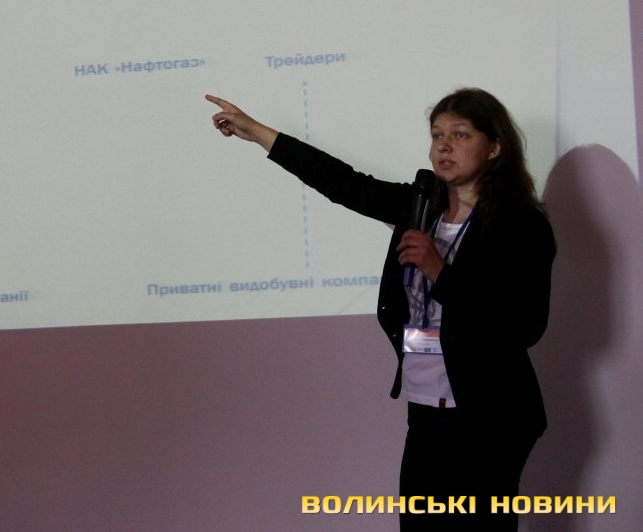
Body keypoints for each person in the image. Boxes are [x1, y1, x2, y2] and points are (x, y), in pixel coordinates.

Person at [206, 88, 555, 530]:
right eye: (437, 135)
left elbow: (524, 326)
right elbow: (343, 183)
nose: (444, 147)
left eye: (461, 135)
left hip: (489, 414)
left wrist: (440, 272)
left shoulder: (519, 225)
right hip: (425, 406)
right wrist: (257, 132)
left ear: (495, 148)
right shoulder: (420, 209)